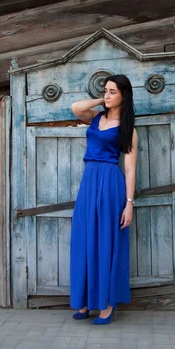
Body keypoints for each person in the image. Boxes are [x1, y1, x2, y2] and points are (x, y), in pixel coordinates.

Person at [69, 74, 138, 325]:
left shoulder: (128, 129)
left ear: (124, 96)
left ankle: (107, 305)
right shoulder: (96, 117)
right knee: (84, 238)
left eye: (112, 92)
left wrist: (129, 204)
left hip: (110, 182)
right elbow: (76, 108)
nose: (107, 95)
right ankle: (85, 301)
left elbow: (130, 169)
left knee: (106, 241)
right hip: (89, 181)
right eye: (106, 91)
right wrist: (102, 100)